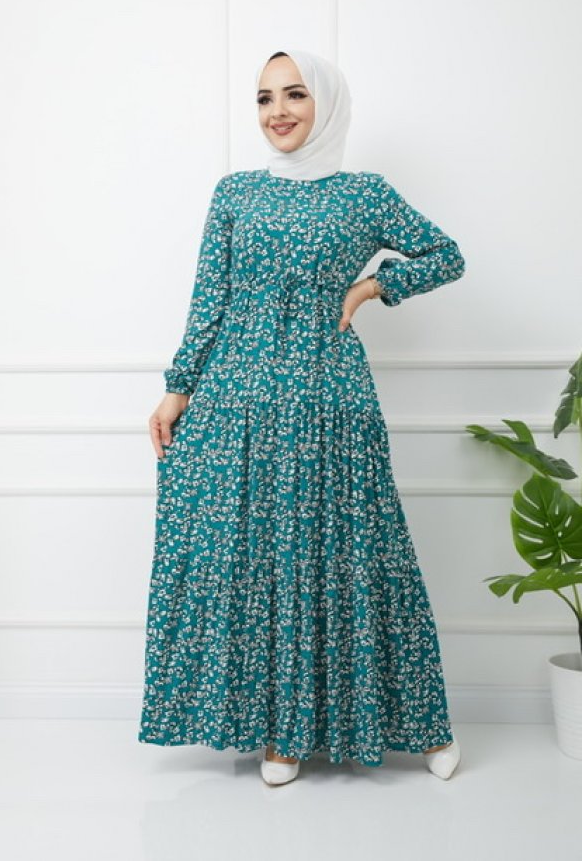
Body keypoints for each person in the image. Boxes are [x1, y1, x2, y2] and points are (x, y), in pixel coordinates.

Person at [138, 48, 465, 786]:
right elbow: (210, 298)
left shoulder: (363, 194)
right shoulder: (236, 192)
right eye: (264, 98)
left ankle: (420, 721)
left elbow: (446, 255)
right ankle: (277, 733)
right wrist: (177, 388)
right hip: (236, 400)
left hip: (328, 399)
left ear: (326, 102)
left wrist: (372, 288)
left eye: (294, 94)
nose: (277, 111)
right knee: (251, 561)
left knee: (360, 552)